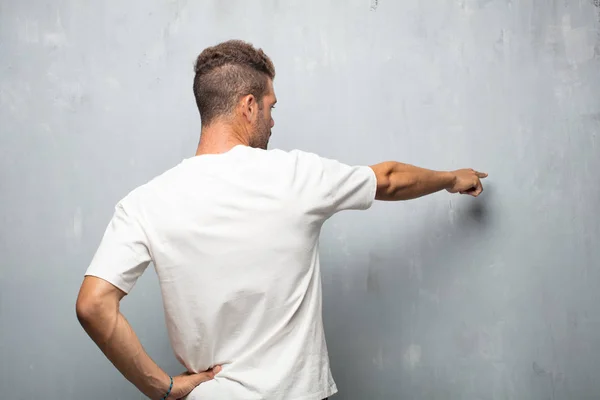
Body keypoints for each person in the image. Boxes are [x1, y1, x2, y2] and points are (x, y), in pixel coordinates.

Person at [75, 39, 487, 400]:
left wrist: (161, 388)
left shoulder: (146, 201)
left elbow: (93, 305)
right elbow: (390, 179)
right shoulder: (294, 176)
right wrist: (452, 179)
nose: (273, 121)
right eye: (271, 106)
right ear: (248, 106)